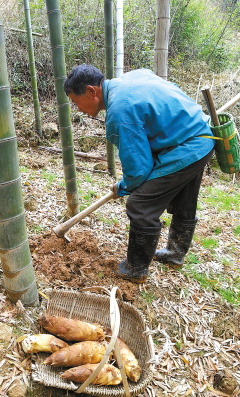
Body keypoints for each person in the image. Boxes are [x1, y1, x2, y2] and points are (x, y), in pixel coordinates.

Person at [64, 64, 215, 284]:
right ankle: (175, 254)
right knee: (184, 199)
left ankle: (136, 269)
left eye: (77, 102)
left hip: (188, 145)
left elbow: (138, 170)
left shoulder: (119, 112)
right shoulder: (129, 80)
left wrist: (123, 186)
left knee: (140, 204)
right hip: (201, 134)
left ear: (91, 91)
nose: (78, 109)